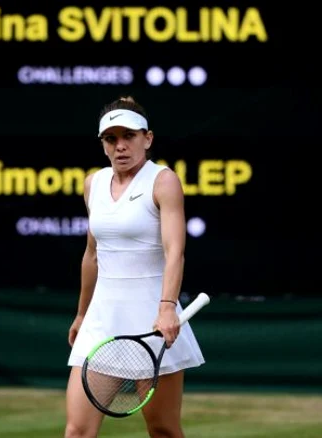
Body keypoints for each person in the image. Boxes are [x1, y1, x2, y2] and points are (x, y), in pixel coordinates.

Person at [64, 96, 205, 438]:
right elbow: (92, 255)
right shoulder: (92, 184)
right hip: (101, 321)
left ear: (148, 138)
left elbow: (175, 252)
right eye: (111, 139)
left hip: (152, 321)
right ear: (103, 145)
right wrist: (82, 314)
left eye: (128, 135)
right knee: (76, 431)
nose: (121, 146)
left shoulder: (163, 180)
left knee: (163, 429)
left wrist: (167, 307)